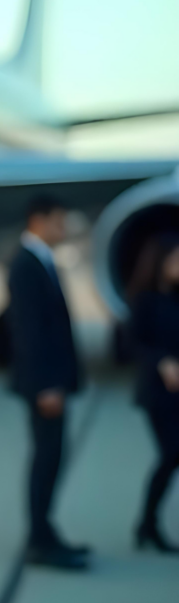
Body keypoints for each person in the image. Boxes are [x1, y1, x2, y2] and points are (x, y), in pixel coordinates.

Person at [8, 194, 91, 570]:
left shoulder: (40, 260)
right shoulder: (25, 265)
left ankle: (44, 531)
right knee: (46, 458)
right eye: (59, 221)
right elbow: (28, 332)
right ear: (38, 221)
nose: (63, 229)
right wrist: (45, 386)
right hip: (45, 386)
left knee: (52, 457)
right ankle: (39, 539)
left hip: (52, 382)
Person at [126, 233, 179, 553]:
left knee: (172, 456)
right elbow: (132, 343)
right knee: (171, 453)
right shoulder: (143, 299)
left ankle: (147, 523)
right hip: (158, 392)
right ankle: (148, 523)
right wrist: (162, 362)